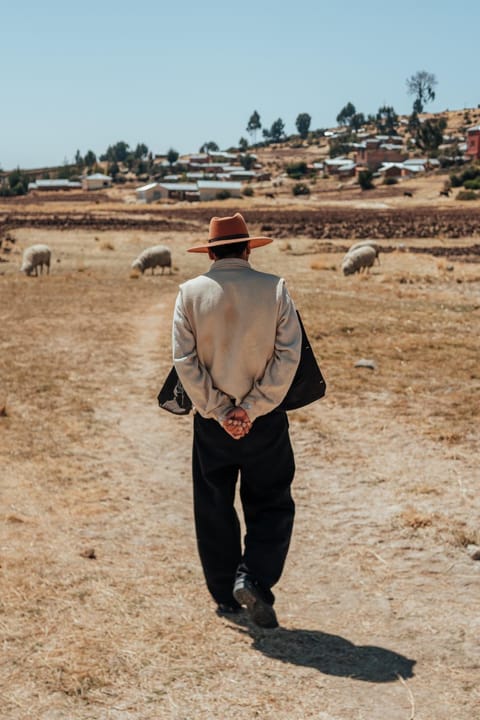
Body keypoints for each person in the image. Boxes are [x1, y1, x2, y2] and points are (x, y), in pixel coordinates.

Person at [172, 212, 302, 628]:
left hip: (212, 424)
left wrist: (220, 410)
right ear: (248, 249)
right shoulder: (275, 289)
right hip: (264, 422)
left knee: (213, 503)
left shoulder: (189, 294)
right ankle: (254, 578)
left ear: (210, 252)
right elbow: (288, 356)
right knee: (272, 501)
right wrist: (253, 406)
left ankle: (225, 594)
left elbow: (184, 360)